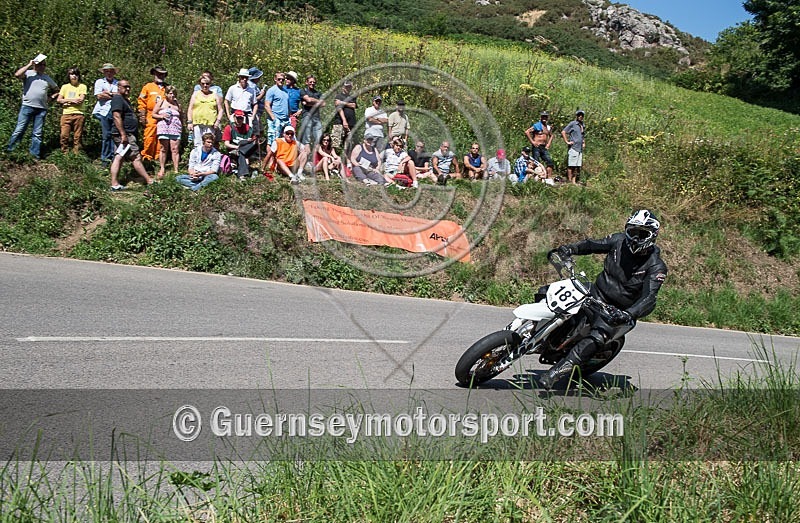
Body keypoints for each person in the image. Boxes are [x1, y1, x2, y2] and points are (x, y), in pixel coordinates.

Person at [538, 209, 668, 389]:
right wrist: (571, 248)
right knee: (547, 291)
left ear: (652, 236)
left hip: (618, 311)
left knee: (599, 336)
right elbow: (592, 244)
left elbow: (649, 297)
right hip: (596, 292)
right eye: (632, 231)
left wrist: (628, 313)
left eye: (642, 234)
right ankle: (531, 333)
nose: (636, 238)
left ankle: (558, 371)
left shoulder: (656, 266)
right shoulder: (619, 241)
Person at [5, 56, 58, 159]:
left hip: (41, 108)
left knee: (37, 133)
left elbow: (57, 90)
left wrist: (51, 98)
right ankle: (11, 152)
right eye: (40, 64)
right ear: (35, 64)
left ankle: (34, 155)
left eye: (44, 65)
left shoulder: (47, 78)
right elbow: (17, 74)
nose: (42, 66)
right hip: (27, 106)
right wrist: (29, 64)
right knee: (19, 129)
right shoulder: (28, 73)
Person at [108, 79, 154, 190]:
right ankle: (149, 181)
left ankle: (114, 184)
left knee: (120, 157)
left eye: (129, 87)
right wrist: (123, 134)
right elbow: (116, 116)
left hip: (127, 133)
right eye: (125, 87)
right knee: (135, 157)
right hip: (125, 134)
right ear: (118, 87)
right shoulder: (118, 98)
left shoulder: (124, 100)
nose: (128, 89)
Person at [137, 65, 168, 162]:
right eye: (158, 74)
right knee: (149, 136)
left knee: (161, 137)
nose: (160, 76)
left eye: (162, 74)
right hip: (150, 115)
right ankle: (147, 156)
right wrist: (142, 114)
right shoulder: (147, 87)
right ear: (154, 74)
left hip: (164, 116)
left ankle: (158, 157)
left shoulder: (167, 88)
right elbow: (141, 101)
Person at [91, 63, 120, 165]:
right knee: (106, 135)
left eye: (111, 71)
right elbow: (99, 96)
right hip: (103, 111)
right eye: (106, 71)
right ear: (104, 72)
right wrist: (113, 95)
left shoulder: (117, 83)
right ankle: (105, 159)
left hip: (114, 111)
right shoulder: (100, 82)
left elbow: (120, 95)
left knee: (114, 135)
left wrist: (108, 94)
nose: (109, 73)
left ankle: (113, 157)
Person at [152, 85, 182, 179]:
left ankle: (176, 169)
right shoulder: (161, 102)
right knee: (163, 149)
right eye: (170, 93)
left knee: (175, 149)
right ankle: (162, 168)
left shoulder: (177, 104)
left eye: (174, 93)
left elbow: (181, 115)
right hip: (163, 128)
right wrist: (162, 116)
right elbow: (153, 114)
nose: (172, 95)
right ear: (166, 94)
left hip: (175, 128)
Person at [186, 74, 223, 147]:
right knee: (197, 144)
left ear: (210, 84)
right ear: (200, 84)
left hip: (210, 124)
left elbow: (221, 110)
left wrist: (217, 121)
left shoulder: (215, 95)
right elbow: (190, 108)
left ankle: (208, 158)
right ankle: (198, 158)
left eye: (207, 84)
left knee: (209, 144)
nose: (205, 85)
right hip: (197, 123)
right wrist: (189, 122)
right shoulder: (195, 94)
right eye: (203, 84)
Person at [56, 68, 87, 154]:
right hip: (66, 114)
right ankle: (64, 152)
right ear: (68, 76)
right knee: (64, 135)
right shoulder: (65, 87)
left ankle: (76, 154)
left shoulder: (82, 86)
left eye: (76, 74)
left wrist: (66, 101)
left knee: (77, 136)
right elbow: (59, 100)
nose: (74, 76)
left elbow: (80, 99)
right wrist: (73, 101)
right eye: (72, 74)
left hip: (79, 113)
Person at [223, 110, 258, 180]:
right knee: (241, 153)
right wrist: (237, 147)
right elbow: (226, 144)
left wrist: (251, 140)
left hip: (245, 147)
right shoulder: (229, 128)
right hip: (234, 148)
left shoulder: (248, 128)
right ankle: (242, 174)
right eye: (237, 118)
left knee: (253, 145)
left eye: (241, 118)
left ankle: (242, 173)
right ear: (234, 118)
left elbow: (254, 141)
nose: (239, 120)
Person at [300, 75, 324, 169]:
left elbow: (323, 104)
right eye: (310, 81)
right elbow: (308, 99)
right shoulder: (303, 91)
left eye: (314, 82)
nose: (312, 83)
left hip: (316, 118)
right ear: (306, 82)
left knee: (319, 140)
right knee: (307, 140)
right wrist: (316, 102)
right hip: (307, 117)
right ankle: (305, 163)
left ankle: (316, 162)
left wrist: (310, 102)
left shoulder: (318, 93)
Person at [332, 81, 357, 159]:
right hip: (339, 122)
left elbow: (353, 105)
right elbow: (337, 105)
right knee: (336, 142)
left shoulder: (352, 97)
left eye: (349, 87)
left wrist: (342, 103)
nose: (348, 88)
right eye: (346, 86)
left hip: (351, 123)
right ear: (343, 87)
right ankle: (334, 159)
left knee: (348, 144)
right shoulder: (339, 96)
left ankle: (346, 161)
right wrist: (344, 121)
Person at [264, 71, 289, 146]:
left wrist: (289, 116)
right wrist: (273, 118)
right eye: (279, 79)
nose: (281, 81)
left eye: (283, 79)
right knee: (272, 142)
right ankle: (270, 158)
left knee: (286, 141)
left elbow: (287, 105)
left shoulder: (285, 91)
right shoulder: (271, 90)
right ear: (275, 79)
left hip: (285, 120)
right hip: (275, 119)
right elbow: (266, 105)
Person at [561, 109, 586, 185]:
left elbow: (582, 135)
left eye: (582, 115)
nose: (580, 116)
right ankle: (569, 180)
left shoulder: (583, 125)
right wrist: (567, 142)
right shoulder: (573, 124)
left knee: (577, 166)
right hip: (573, 147)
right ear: (577, 116)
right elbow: (563, 132)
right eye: (579, 115)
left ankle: (574, 181)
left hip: (580, 148)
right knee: (571, 165)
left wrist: (584, 142)